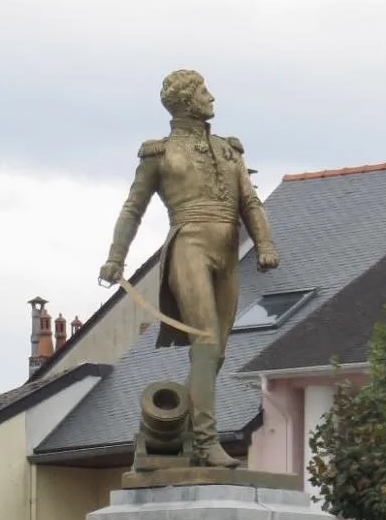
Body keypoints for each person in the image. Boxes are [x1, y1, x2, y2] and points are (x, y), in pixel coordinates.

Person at [99, 70, 279, 467]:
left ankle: (172, 425)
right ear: (184, 101)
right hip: (189, 245)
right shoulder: (159, 154)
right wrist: (116, 257)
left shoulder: (230, 151)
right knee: (206, 343)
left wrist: (264, 243)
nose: (211, 97)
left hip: (228, 251)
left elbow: (250, 202)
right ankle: (205, 443)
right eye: (202, 91)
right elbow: (134, 207)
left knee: (215, 355)